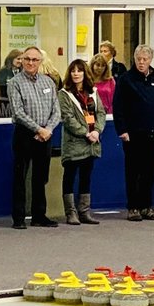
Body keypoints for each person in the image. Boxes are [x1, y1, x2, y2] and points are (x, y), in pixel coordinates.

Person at [113, 44, 154, 222]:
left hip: (153, 134)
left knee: (149, 172)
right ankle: (133, 208)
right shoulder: (125, 79)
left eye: (145, 59)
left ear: (150, 60)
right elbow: (118, 106)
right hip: (132, 135)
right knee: (133, 172)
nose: (141, 62)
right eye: (139, 59)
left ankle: (147, 206)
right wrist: (122, 129)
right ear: (134, 59)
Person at [7, 44, 61, 228]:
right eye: (27, 59)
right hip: (24, 134)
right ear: (21, 60)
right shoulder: (14, 83)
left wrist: (48, 130)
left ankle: (39, 215)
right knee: (20, 177)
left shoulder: (48, 82)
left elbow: (56, 111)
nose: (30, 62)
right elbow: (18, 112)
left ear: (40, 62)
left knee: (41, 176)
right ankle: (19, 218)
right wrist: (39, 129)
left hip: (46, 135)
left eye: (34, 60)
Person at [59, 58, 105, 225]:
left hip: (92, 142)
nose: (76, 74)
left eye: (79, 70)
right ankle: (70, 213)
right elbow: (68, 118)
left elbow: (100, 113)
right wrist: (86, 133)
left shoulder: (92, 92)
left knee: (86, 176)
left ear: (85, 73)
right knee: (70, 176)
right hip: (74, 142)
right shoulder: (64, 94)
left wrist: (97, 131)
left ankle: (84, 211)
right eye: (73, 71)